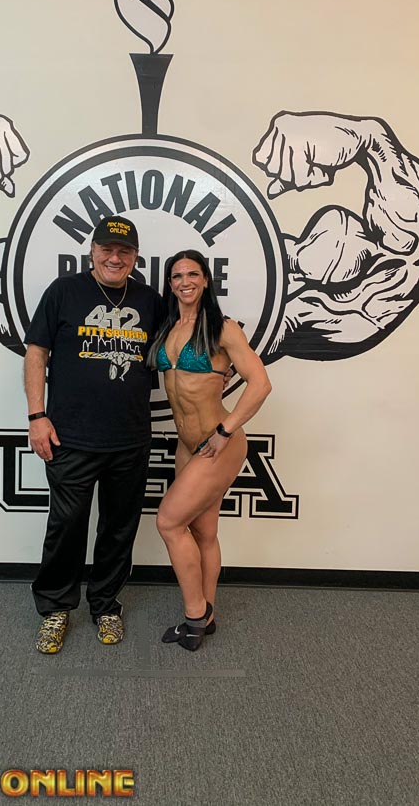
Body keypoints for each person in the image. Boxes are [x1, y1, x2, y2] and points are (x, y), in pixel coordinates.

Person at [24, 216, 164, 654]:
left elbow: (184, 339)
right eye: (107, 249)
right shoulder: (63, 292)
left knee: (119, 528)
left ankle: (105, 604)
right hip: (70, 436)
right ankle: (55, 608)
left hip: (130, 437)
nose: (115, 258)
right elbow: (36, 352)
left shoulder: (150, 300)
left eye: (124, 251)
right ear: (92, 251)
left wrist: (223, 352)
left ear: (135, 257)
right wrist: (36, 415)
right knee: (66, 526)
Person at [148, 250, 272, 651]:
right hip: (187, 445)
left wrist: (225, 429)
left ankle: (195, 615)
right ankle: (209, 614)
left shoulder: (222, 328)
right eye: (177, 275)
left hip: (219, 444)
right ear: (170, 284)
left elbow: (260, 384)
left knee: (168, 522)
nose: (184, 281)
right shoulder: (168, 327)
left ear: (205, 280)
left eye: (192, 274)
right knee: (203, 531)